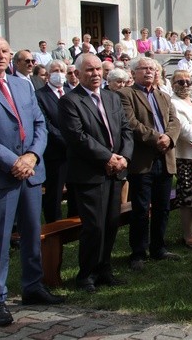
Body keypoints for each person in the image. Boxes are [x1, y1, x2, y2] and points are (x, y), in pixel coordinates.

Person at [0, 35, 63, 327]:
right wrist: (13, 162)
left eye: (5, 51)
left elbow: (39, 124)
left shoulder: (23, 84)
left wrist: (32, 156)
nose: (1, 56)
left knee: (32, 233)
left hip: (31, 173)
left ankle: (33, 286)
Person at [58, 54, 133, 293]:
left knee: (111, 223)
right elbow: (77, 137)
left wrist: (124, 157)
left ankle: (104, 269)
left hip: (115, 172)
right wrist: (107, 157)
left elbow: (125, 129)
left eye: (98, 69)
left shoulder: (112, 97)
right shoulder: (70, 101)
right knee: (94, 226)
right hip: (89, 173)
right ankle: (86, 274)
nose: (95, 74)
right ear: (78, 74)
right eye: (89, 70)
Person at [118, 57, 181, 271]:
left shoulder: (163, 96)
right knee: (141, 208)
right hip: (142, 160)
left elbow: (175, 121)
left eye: (153, 68)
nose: (149, 72)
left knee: (162, 207)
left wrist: (169, 138)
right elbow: (131, 123)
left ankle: (158, 247)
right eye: (144, 68)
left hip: (164, 158)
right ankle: (138, 251)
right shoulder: (126, 94)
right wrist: (157, 138)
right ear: (134, 72)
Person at [170, 71, 192, 247]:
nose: (184, 85)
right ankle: (187, 233)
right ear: (172, 83)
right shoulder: (173, 104)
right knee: (188, 197)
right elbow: (185, 130)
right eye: (180, 82)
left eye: (187, 82)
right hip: (187, 156)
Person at [35, 59, 71, 222]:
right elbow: (46, 124)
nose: (60, 74)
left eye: (62, 71)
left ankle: (74, 221)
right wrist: (69, 142)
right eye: (56, 71)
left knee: (76, 189)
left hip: (75, 151)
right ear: (48, 75)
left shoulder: (71, 92)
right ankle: (54, 224)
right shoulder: (40, 95)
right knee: (54, 193)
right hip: (55, 153)